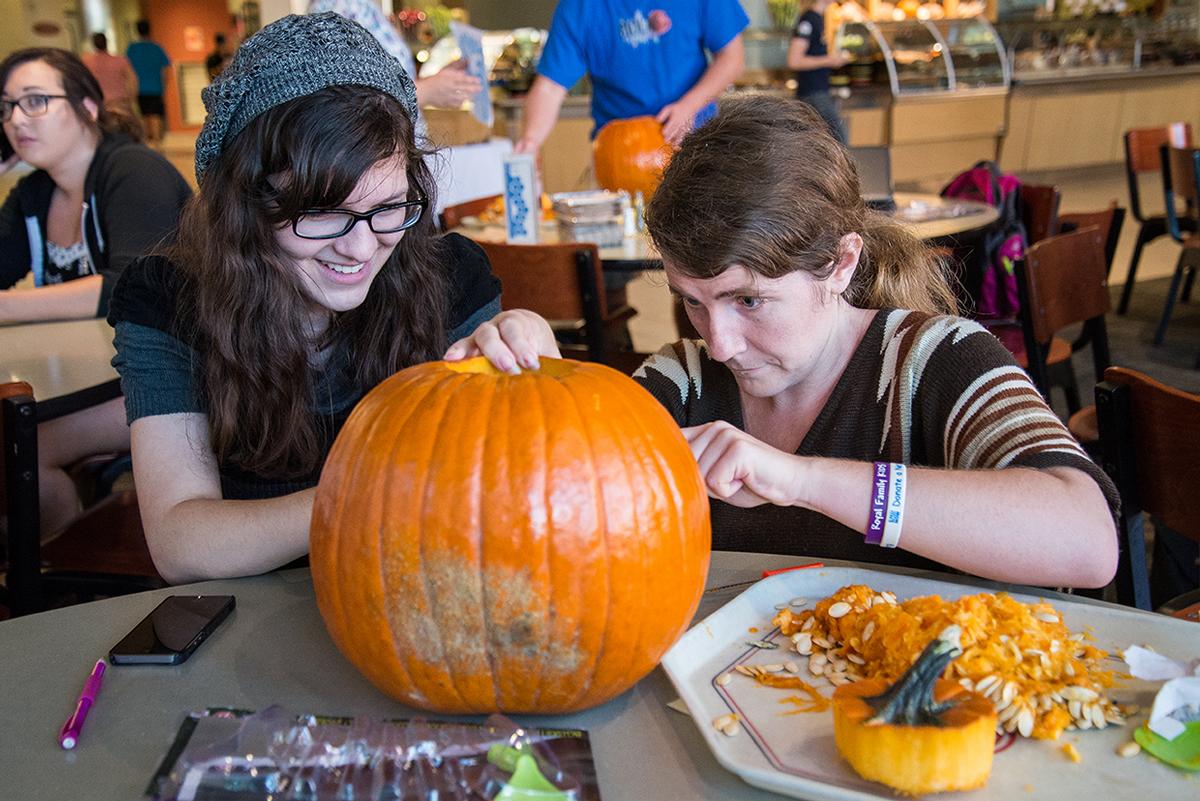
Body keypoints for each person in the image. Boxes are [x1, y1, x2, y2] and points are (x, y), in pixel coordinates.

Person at [108, 13, 552, 584]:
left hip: (424, 602)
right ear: (245, 203)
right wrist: (370, 495)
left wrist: (536, 370)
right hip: (250, 630)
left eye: (389, 206)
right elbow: (181, 541)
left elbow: (522, 491)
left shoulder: (450, 276)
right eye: (322, 214)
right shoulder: (166, 300)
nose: (362, 247)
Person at [623, 96, 1116, 590]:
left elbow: (1087, 541)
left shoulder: (934, 361)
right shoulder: (683, 383)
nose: (720, 345)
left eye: (749, 301)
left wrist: (802, 481)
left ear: (841, 262)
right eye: (693, 303)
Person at [0, 47, 192, 536]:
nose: (17, 118)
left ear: (87, 107)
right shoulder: (34, 194)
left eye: (36, 101)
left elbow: (122, 287)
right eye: (6, 106)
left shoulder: (132, 170)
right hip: (96, 373)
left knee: (24, 448)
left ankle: (64, 588)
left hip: (179, 369)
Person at [514, 0, 749, 153]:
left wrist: (689, 106)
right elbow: (550, 87)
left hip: (695, 142)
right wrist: (530, 142)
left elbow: (731, 58)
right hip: (619, 152)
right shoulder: (579, 7)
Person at [307, 0, 482, 114]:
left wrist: (435, 82)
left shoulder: (362, 6)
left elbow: (378, 80)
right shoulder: (337, 8)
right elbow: (348, 98)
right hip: (376, 159)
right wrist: (426, 90)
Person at [787, 0, 847, 144]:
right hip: (813, 93)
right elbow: (794, 60)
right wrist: (829, 60)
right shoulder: (809, 20)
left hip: (819, 91)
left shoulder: (819, 19)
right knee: (838, 140)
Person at [125, 19, 170, 145]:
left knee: (144, 115)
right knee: (155, 114)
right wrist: (164, 85)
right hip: (156, 87)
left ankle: (146, 141)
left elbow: (128, 70)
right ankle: (157, 142)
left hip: (140, 87)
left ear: (137, 31)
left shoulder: (132, 48)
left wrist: (130, 88)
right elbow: (166, 69)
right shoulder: (157, 48)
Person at [80, 32, 137, 115]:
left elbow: (81, 82)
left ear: (94, 44)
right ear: (107, 43)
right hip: (118, 105)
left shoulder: (86, 61)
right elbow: (133, 81)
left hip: (96, 105)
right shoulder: (120, 61)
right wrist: (130, 100)